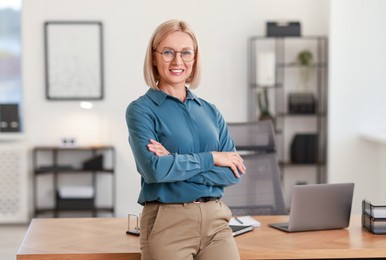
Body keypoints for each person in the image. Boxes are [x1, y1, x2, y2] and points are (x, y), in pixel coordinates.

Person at [125, 19, 246, 260]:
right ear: (153, 57)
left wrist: (175, 161)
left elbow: (233, 172)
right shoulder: (141, 110)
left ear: (195, 58)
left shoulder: (210, 111)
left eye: (186, 53)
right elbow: (155, 171)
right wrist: (212, 158)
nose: (178, 61)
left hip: (216, 222)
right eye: (168, 52)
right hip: (168, 223)